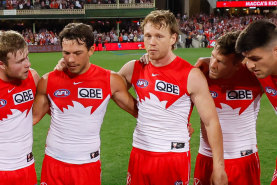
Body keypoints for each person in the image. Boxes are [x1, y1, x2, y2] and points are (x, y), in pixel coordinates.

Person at [118, 10, 228, 185]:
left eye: (159, 36)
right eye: (148, 35)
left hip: (172, 157)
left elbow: (211, 122)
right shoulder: (134, 68)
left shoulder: (191, 75)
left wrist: (219, 166)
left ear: (173, 38)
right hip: (139, 152)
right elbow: (108, 88)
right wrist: (137, 110)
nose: (152, 42)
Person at [32, 23, 138, 185]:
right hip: (54, 163)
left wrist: (179, 125)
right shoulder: (48, 80)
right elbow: (32, 118)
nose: (71, 59)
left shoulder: (110, 80)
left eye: (77, 53)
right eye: (66, 53)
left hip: (87, 165)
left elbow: (140, 112)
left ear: (91, 50)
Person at [193, 31, 263, 185]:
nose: (212, 64)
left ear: (239, 64)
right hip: (207, 157)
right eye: (212, 56)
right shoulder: (200, 74)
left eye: (220, 61)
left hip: (244, 159)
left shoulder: (257, 76)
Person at [235, 20, 277, 185]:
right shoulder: (262, 69)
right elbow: (227, 64)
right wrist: (206, 61)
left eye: (255, 58)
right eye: (247, 58)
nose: (250, 65)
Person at [0, 30, 39, 185]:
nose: (28, 64)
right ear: (1, 64)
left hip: (27, 167)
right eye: (20, 61)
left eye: (27, 57)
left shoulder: (32, 77)